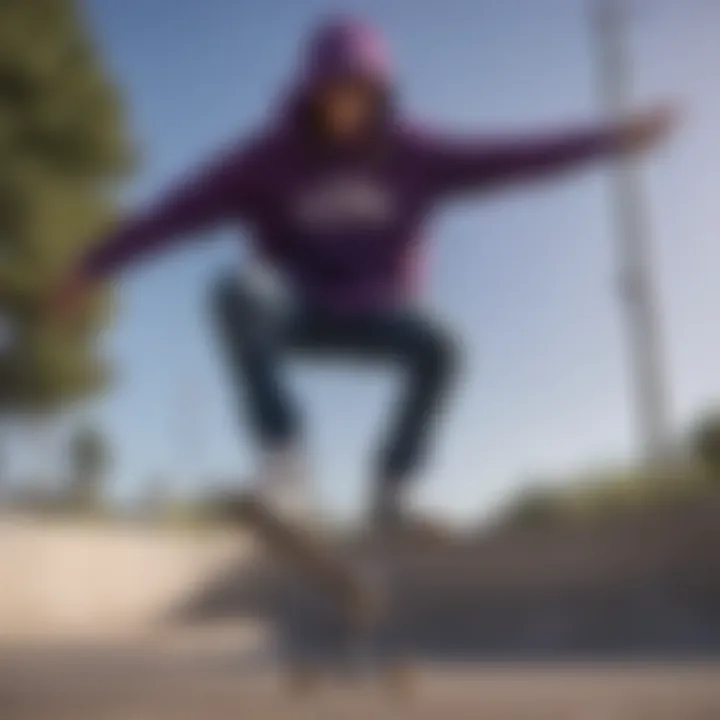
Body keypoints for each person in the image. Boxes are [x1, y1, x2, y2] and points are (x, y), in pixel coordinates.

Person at [49, 16, 677, 532]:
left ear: (380, 94)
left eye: (361, 94)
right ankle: (285, 461)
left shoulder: (418, 152)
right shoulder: (268, 158)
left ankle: (392, 489)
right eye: (334, 93)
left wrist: (611, 141)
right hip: (296, 311)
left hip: (380, 313)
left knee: (443, 345)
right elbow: (178, 211)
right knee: (237, 291)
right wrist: (94, 264)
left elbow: (516, 158)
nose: (346, 107)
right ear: (311, 91)